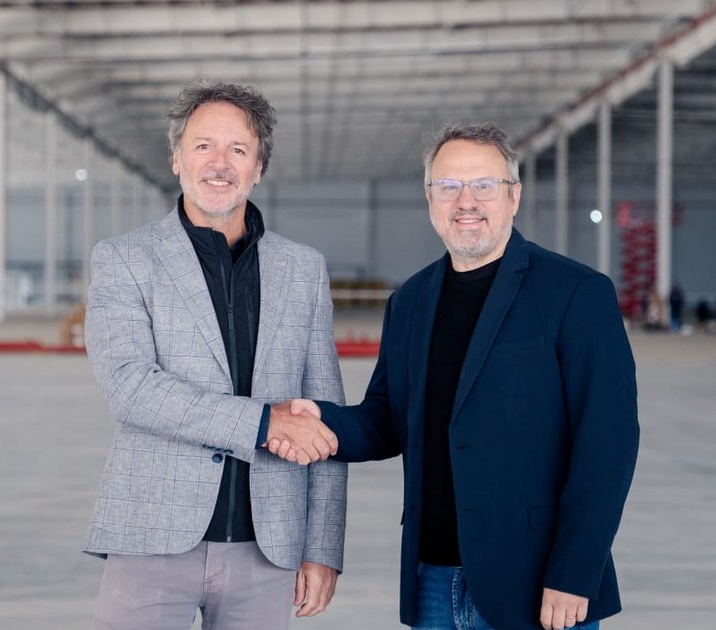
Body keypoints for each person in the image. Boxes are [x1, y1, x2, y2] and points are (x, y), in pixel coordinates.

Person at [270, 123, 639, 630]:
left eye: (484, 185)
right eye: (449, 186)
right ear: (430, 199)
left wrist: (575, 572)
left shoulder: (576, 293)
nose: (466, 201)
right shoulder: (411, 301)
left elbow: (608, 444)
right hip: (433, 580)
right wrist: (321, 420)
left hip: (538, 582)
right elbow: (388, 420)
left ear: (514, 196)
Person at [82, 80, 348, 629]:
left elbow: (325, 412)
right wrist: (263, 423)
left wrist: (323, 546)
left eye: (238, 150)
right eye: (203, 146)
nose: (219, 164)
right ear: (177, 159)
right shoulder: (124, 260)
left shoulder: (303, 269)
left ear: (259, 167)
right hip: (152, 535)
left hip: (268, 548)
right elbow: (131, 387)